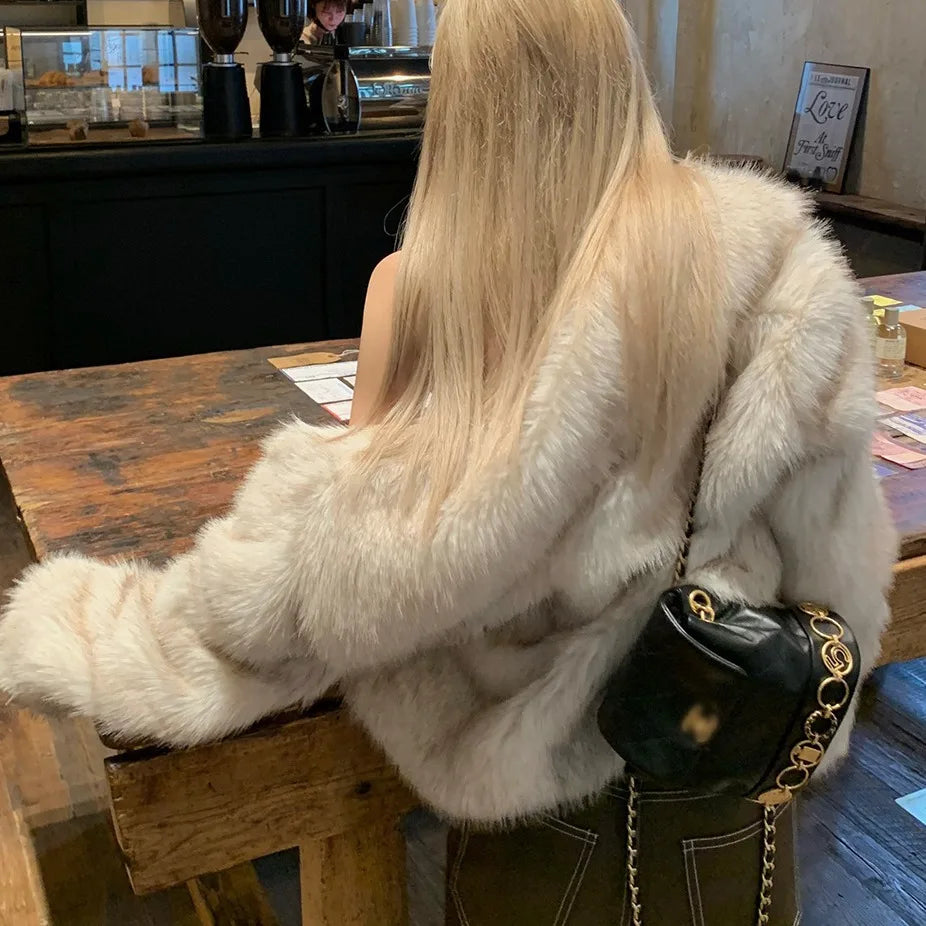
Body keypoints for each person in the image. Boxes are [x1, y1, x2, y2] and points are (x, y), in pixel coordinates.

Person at [0, 0, 896, 921]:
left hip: (546, 824)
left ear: (465, 103)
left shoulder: (424, 292)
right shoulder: (779, 267)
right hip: (731, 781)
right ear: (622, 75)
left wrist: (80, 634)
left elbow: (344, 577)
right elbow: (844, 589)